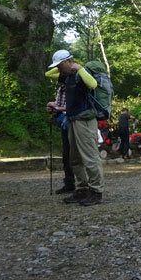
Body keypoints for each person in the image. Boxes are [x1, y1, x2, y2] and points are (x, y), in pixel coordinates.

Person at [48, 49, 104, 206]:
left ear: (67, 61)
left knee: (90, 156)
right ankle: (81, 189)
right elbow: (48, 74)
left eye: (60, 66)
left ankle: (96, 191)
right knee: (75, 158)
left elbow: (93, 84)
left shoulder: (81, 73)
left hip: (85, 120)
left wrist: (79, 67)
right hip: (73, 120)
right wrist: (64, 66)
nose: (58, 70)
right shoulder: (68, 76)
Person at [45, 69, 76, 194]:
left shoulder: (74, 86)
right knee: (66, 154)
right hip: (64, 123)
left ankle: (79, 184)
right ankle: (69, 183)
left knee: (74, 154)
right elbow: (59, 104)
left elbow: (74, 106)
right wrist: (52, 106)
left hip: (73, 123)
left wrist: (57, 107)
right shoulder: (62, 89)